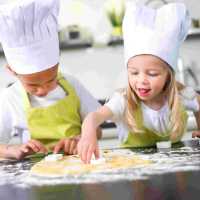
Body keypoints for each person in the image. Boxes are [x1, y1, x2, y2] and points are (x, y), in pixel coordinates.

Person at [78, 2, 200, 163]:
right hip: (134, 175)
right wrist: (88, 134)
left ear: (168, 75)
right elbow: (93, 117)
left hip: (175, 171)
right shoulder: (123, 101)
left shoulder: (181, 96)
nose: (142, 80)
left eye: (152, 73)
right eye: (134, 72)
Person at [0, 0, 101, 160]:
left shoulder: (71, 84)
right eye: (33, 85)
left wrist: (81, 138)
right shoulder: (10, 98)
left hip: (78, 164)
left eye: (51, 79)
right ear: (13, 71)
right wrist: (12, 150)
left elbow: (97, 127)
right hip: (35, 172)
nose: (44, 89)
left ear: (58, 64)